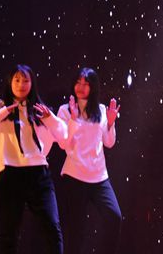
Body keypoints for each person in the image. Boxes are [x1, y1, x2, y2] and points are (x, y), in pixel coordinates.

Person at [0, 64, 67, 254]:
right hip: (10, 174)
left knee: (52, 228)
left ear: (32, 83)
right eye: (17, 80)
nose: (21, 84)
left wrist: (50, 118)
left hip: (38, 174)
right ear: (10, 82)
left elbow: (64, 136)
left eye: (26, 80)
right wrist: (4, 111)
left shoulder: (39, 109)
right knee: (8, 235)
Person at [55, 67, 122, 254]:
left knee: (114, 217)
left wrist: (110, 122)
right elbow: (63, 144)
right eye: (78, 82)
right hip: (74, 176)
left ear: (93, 87)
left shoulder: (101, 110)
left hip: (99, 177)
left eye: (86, 84)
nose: (81, 87)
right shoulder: (65, 110)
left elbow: (109, 143)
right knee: (75, 231)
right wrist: (73, 119)